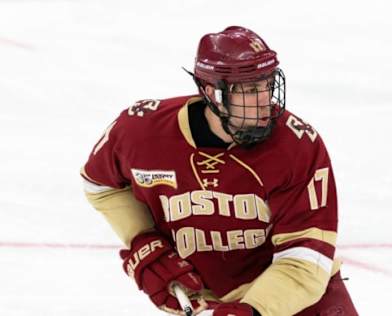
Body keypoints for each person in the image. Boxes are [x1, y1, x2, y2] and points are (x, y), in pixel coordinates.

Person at [81, 26, 358, 316]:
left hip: (295, 299)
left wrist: (252, 310)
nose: (265, 99)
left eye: (268, 85)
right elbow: (100, 184)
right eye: (251, 89)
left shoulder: (296, 146)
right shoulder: (140, 132)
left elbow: (306, 256)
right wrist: (142, 238)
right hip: (211, 302)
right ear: (213, 93)